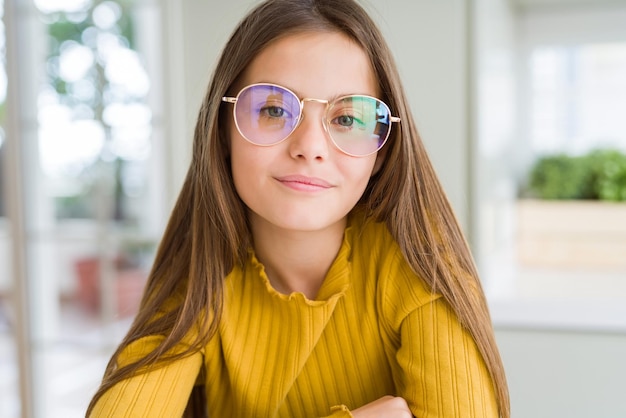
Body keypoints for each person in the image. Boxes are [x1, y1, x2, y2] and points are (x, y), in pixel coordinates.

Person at [87, 0, 510, 417]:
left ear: (381, 151)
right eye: (273, 110)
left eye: (347, 119)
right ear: (223, 131)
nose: (309, 147)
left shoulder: (421, 265)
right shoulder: (200, 276)